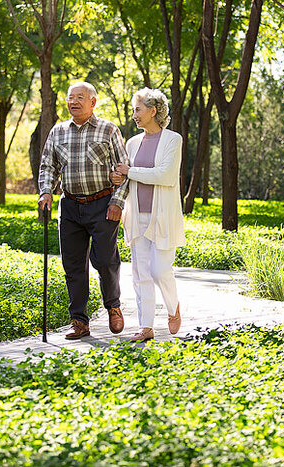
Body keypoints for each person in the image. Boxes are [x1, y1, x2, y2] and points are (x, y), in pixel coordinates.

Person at [37, 81, 129, 340]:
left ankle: (113, 306)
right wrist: (46, 190)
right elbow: (48, 166)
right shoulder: (58, 131)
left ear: (93, 102)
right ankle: (79, 320)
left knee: (105, 260)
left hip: (102, 204)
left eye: (80, 97)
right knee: (73, 265)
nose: (74, 102)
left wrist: (117, 202)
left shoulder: (109, 130)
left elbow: (124, 168)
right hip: (70, 205)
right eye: (70, 97)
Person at [113, 88, 186, 342]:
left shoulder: (172, 140)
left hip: (163, 218)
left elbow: (165, 176)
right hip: (136, 217)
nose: (134, 114)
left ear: (153, 111)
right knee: (140, 273)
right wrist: (119, 176)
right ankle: (145, 326)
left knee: (158, 270)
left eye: (138, 109)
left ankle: (173, 306)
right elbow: (125, 176)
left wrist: (130, 171)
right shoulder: (132, 143)